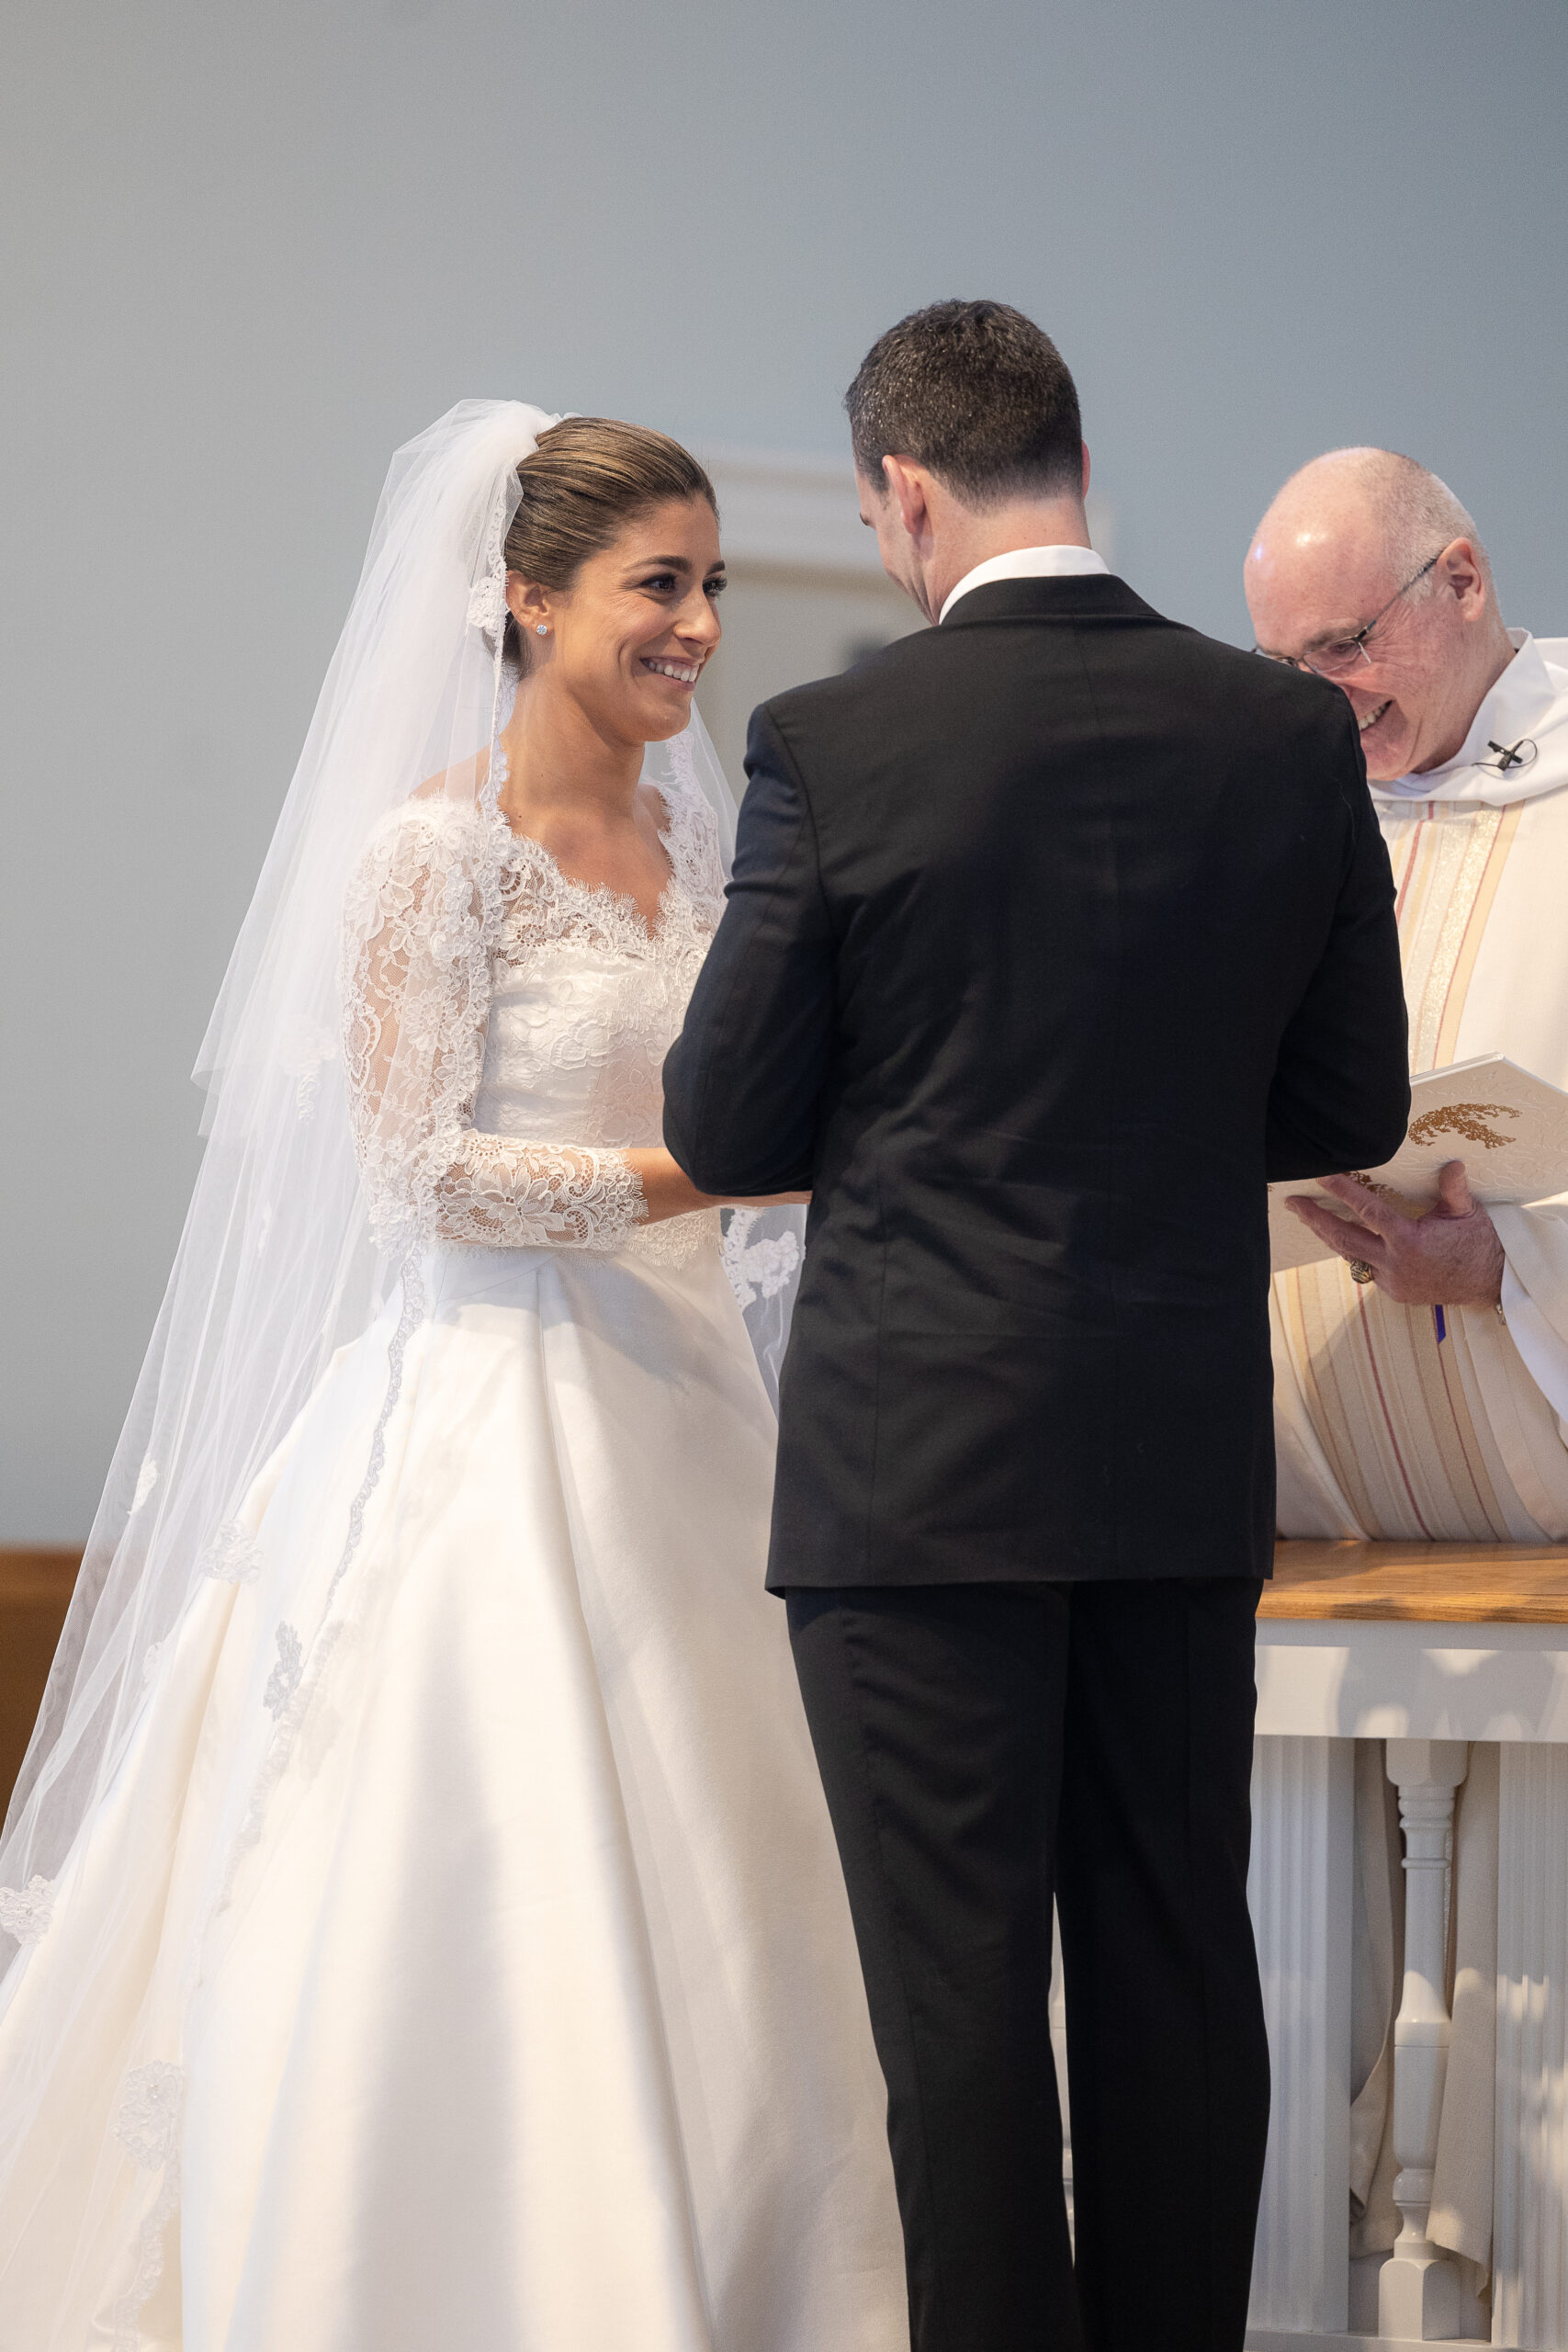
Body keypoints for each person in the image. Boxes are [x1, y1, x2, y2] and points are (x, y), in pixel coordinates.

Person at [0, 404, 906, 2350]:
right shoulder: (430, 851)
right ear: (522, 594)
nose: (694, 624)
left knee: (743, 1884)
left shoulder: (703, 836)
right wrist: (698, 1173)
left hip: (693, 1419)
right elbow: (420, 1176)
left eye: (710, 584)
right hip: (489, 1416)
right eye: (655, 584)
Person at [662, 300, 1412, 2352]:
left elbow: (722, 1123)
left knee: (959, 2015)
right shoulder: (1276, 731)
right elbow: (1347, 1100)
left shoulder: (834, 745)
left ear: (905, 492)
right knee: (1174, 1973)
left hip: (912, 1477)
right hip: (1170, 1449)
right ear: (1073, 462)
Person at [1246, 447, 1568, 2305]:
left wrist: (1509, 1255)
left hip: (1529, 1510)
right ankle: (1318, 2272)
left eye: (1346, 645)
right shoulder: (1296, 800)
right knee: (1323, 1938)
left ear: (1459, 578)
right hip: (1308, 1496)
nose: (1324, 697)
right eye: (1285, 660)